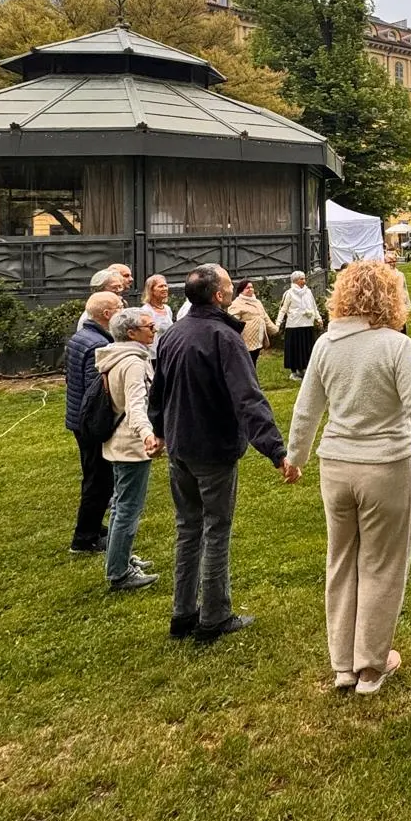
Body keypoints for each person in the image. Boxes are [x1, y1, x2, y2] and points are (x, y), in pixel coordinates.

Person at [285, 259, 411, 693]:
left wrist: (295, 457)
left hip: (336, 467)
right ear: (390, 297)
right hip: (385, 467)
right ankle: (370, 665)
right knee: (382, 564)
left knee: (340, 561)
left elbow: (306, 409)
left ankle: (343, 665)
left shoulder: (325, 345)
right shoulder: (396, 346)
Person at [148, 265, 300, 643]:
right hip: (211, 448)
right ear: (218, 296)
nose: (233, 289)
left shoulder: (173, 334)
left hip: (180, 446)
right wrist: (277, 451)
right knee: (215, 529)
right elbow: (248, 399)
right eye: (229, 285)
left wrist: (159, 431)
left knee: (188, 529)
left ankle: (183, 613)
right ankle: (213, 616)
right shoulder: (224, 337)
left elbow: (158, 393)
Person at [95, 307, 163, 592]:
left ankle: (119, 558)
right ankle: (120, 573)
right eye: (149, 327)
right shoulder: (133, 363)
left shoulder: (114, 355)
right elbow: (136, 406)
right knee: (127, 509)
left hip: (118, 441)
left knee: (120, 505)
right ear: (131, 333)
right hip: (131, 445)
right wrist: (147, 434)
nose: (154, 331)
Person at [65, 290, 124, 554]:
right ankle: (84, 539)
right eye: (119, 307)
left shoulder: (81, 337)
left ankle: (93, 526)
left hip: (78, 419)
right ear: (107, 314)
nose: (123, 310)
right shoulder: (98, 345)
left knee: (94, 477)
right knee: (99, 481)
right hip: (90, 423)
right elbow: (96, 391)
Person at [275, 271, 323, 378]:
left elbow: (313, 306)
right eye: (301, 279)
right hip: (294, 325)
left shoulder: (308, 292)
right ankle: (294, 371)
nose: (304, 281)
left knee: (307, 348)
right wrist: (278, 323)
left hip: (307, 324)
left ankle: (305, 368)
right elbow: (283, 309)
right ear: (295, 280)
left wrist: (318, 318)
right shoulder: (289, 293)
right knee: (295, 348)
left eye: (304, 278)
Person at [228, 280, 279, 370]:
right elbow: (232, 321)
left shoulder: (257, 302)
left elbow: (265, 317)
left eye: (252, 287)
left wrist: (274, 329)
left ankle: (252, 377)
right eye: (247, 288)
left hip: (258, 340)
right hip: (245, 341)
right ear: (241, 290)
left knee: (253, 362)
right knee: (246, 364)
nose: (250, 289)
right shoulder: (237, 304)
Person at [140, 275, 173, 351]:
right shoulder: (146, 310)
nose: (165, 289)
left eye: (165, 286)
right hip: (153, 352)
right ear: (151, 290)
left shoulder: (167, 309)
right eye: (160, 286)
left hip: (167, 351)